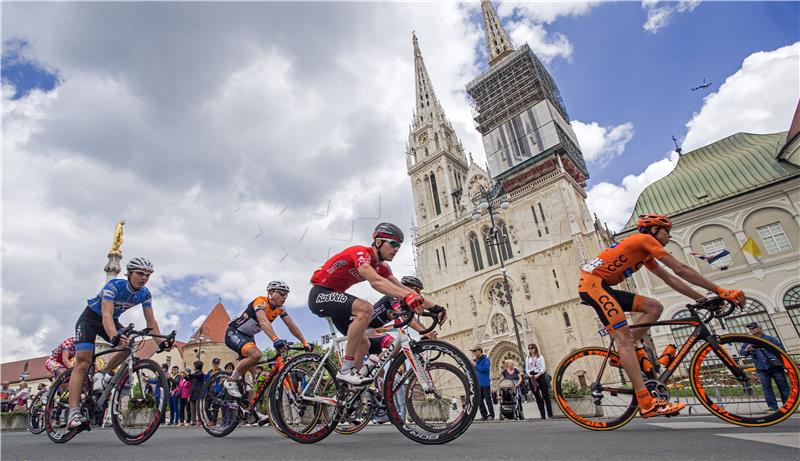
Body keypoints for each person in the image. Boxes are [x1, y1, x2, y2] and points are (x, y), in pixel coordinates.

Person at [579, 214, 745, 418]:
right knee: (623, 338)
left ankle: (627, 350)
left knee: (654, 307)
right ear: (655, 230)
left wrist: (703, 299)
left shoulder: (644, 252)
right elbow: (681, 270)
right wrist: (721, 291)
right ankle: (646, 402)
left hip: (603, 286)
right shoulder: (644, 240)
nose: (669, 236)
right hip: (593, 285)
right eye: (668, 231)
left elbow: (669, 279)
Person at [308, 223, 441, 385]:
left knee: (364, 342)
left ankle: (349, 390)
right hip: (320, 293)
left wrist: (434, 307)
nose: (396, 249)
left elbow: (403, 288)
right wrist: (407, 297)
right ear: (378, 242)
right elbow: (376, 282)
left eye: (399, 246)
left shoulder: (382, 266)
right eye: (393, 244)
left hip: (336, 299)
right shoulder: (360, 253)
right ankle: (345, 369)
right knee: (365, 308)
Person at [66, 257, 168, 429]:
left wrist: (161, 343)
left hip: (111, 321)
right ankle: (73, 413)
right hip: (90, 320)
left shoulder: (145, 294)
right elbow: (106, 315)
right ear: (129, 274)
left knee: (129, 346)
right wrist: (114, 336)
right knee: (83, 363)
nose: (144, 278)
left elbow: (151, 323)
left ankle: (104, 375)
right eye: (140, 274)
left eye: (148, 275)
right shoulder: (113, 286)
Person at [223, 281, 313, 399]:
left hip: (249, 337)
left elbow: (291, 325)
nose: (284, 297)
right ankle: (230, 380)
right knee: (256, 354)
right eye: (281, 293)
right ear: (271, 293)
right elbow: (263, 321)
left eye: (286, 294)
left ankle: (251, 410)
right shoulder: (261, 302)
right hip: (235, 332)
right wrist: (275, 339)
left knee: (255, 376)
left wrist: (304, 341)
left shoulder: (280, 309)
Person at [740, 322, 790, 411]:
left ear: (760, 328)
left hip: (776, 366)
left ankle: (788, 405)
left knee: (783, 386)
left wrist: (774, 357)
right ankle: (772, 407)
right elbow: (742, 352)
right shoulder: (749, 340)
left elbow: (781, 349)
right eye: (750, 329)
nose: (751, 330)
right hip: (761, 368)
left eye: (753, 328)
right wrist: (747, 350)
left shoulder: (770, 339)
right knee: (766, 388)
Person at [525, 343, 553, 419]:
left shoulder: (540, 357)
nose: (531, 349)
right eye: (529, 348)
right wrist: (530, 375)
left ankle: (550, 414)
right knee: (537, 397)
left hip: (540, 375)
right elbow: (527, 368)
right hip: (532, 376)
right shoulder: (528, 358)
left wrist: (538, 375)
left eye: (532, 348)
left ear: (535, 348)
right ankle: (542, 415)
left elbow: (543, 367)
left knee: (545, 395)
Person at [471, 347, 494, 421]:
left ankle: (491, 415)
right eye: (473, 351)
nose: (474, 353)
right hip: (478, 384)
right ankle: (484, 415)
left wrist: (475, 366)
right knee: (479, 401)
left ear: (480, 351)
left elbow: (485, 369)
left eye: (475, 351)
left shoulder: (485, 360)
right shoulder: (476, 361)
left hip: (485, 383)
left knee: (488, 400)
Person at [188, 360, 205, 426]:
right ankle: (193, 420)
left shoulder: (201, 374)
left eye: (194, 366)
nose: (193, 367)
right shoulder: (194, 374)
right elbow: (189, 378)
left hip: (198, 393)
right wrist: (186, 375)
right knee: (192, 408)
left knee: (198, 408)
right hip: (192, 393)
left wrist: (189, 374)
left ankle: (200, 421)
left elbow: (193, 376)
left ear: (196, 366)